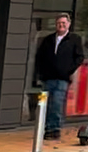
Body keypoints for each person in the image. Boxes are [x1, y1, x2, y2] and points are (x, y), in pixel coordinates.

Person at [33, 13, 84, 141]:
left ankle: (54, 129)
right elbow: (40, 57)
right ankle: (46, 127)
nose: (61, 25)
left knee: (57, 103)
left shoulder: (74, 39)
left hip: (62, 78)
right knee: (47, 104)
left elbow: (79, 57)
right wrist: (40, 73)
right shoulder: (48, 39)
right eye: (59, 23)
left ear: (69, 24)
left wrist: (69, 70)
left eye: (64, 23)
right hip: (47, 77)